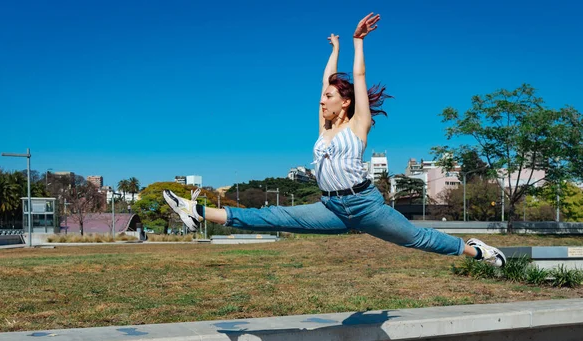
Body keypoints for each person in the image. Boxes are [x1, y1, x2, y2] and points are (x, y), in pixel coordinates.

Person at [163, 13, 505, 267]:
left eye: (329, 97)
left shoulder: (359, 124)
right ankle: (197, 211)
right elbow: (326, 80)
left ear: (345, 101)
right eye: (322, 97)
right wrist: (334, 49)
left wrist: (357, 42)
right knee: (275, 216)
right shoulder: (324, 130)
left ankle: (478, 251)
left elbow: (357, 77)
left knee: (416, 239)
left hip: (365, 205)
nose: (322, 100)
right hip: (330, 207)